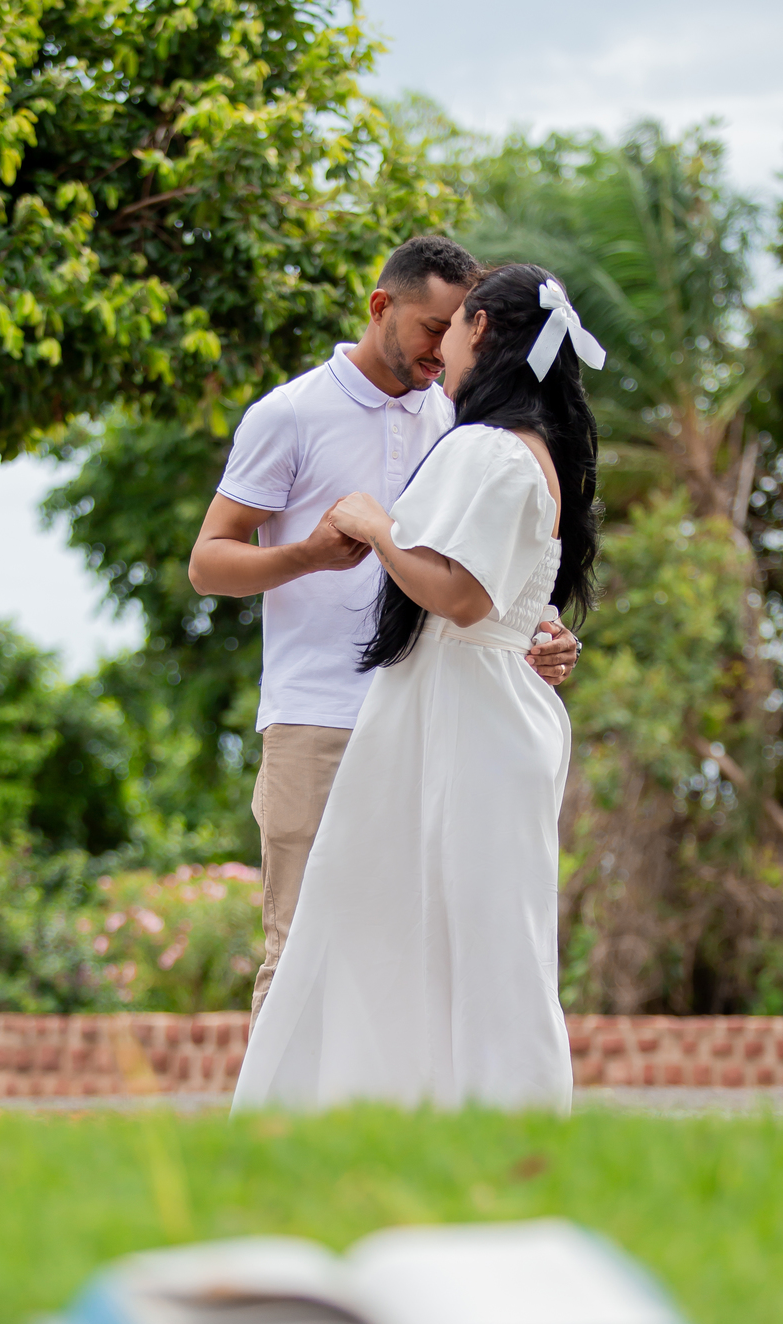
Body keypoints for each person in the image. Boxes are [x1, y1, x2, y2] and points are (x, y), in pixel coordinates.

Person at [231, 264, 603, 1113]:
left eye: (455, 326)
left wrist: (374, 524)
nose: (444, 350)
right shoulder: (530, 448)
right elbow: (512, 593)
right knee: (474, 939)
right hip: (475, 709)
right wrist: (539, 630)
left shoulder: (482, 443)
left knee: (396, 934)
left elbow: (463, 596)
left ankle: (353, 1118)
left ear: (483, 329)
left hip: (460, 711)